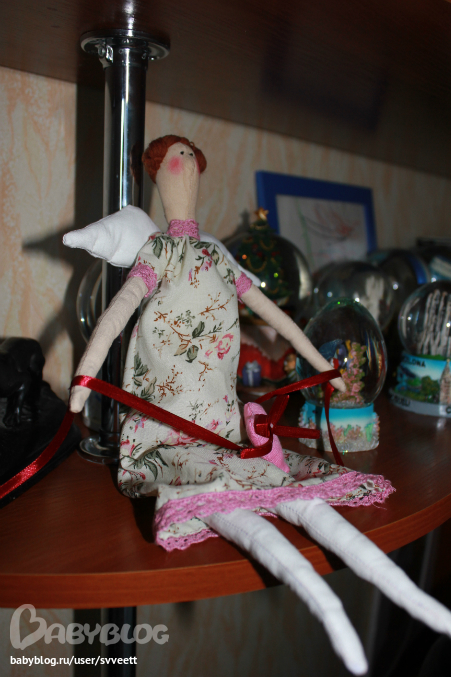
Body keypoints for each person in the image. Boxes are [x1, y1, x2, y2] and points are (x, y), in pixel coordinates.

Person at [69, 136, 451, 675]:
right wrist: (85, 379)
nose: (186, 166)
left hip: (225, 423)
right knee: (237, 514)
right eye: (177, 158)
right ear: (159, 173)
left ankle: (417, 604)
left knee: (300, 498)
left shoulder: (215, 257)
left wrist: (321, 365)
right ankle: (331, 610)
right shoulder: (158, 253)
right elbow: (117, 313)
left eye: (191, 158)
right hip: (167, 429)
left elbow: (276, 316)